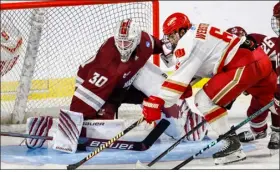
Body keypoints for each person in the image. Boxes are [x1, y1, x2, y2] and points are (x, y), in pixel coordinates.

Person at [25, 18, 208, 153]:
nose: (123, 46)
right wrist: (70, 128)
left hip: (127, 83)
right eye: (119, 42)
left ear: (136, 39)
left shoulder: (144, 40)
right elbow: (83, 102)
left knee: (155, 84)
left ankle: (182, 119)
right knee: (101, 137)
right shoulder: (107, 65)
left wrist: (171, 46)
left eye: (127, 42)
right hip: (101, 91)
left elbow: (158, 45)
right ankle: (46, 127)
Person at [141, 12, 277, 165]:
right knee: (274, 103)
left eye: (172, 36)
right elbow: (205, 62)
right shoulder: (197, 31)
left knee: (203, 100)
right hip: (257, 60)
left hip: (244, 65)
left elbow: (178, 81)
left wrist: (158, 101)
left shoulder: (187, 41)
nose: (171, 41)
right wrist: (185, 85)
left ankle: (232, 145)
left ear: (181, 31)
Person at [227, 24, 280, 150]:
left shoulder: (261, 47)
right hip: (262, 83)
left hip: (274, 78)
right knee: (254, 112)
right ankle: (259, 132)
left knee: (275, 101)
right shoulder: (234, 54)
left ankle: (277, 132)